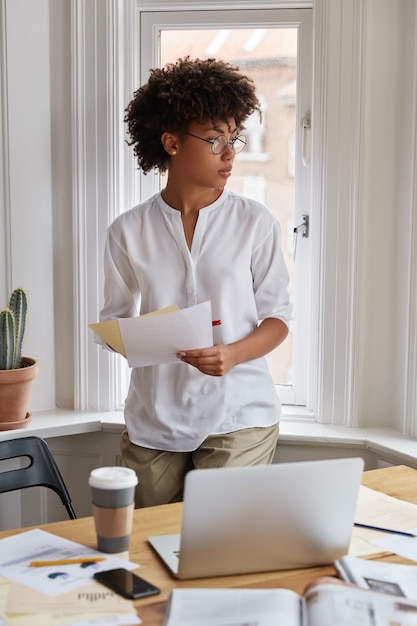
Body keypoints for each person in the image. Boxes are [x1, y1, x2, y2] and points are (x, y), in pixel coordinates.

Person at [100, 56, 293, 507]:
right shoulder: (127, 230)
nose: (229, 153)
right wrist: (140, 338)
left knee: (216, 541)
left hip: (239, 412)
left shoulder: (255, 222)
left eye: (233, 139)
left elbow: (278, 317)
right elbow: (114, 320)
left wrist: (231, 354)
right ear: (170, 142)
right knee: (150, 547)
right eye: (213, 140)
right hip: (155, 418)